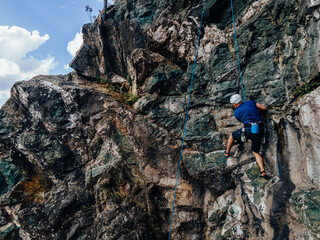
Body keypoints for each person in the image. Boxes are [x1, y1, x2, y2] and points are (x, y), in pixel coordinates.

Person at [223, 94, 268, 178]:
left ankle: (227, 152)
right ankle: (263, 172)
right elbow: (264, 108)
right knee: (256, 152)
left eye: (233, 104)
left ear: (235, 104)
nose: (233, 105)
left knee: (232, 136)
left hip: (248, 130)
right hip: (260, 130)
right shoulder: (251, 102)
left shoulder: (236, 113)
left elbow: (243, 120)